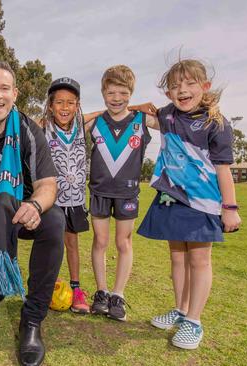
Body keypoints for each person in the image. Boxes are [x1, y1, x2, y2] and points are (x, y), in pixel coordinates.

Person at [0, 61, 64, 366]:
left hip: (20, 213)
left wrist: (34, 205)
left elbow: (47, 184)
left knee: (55, 220)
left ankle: (31, 321)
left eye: (4, 88)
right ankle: (5, 258)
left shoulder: (29, 130)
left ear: (15, 93)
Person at [137, 59, 241, 349]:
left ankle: (194, 321)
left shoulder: (216, 123)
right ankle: (181, 310)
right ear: (168, 93)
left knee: (199, 260)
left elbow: (223, 169)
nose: (182, 90)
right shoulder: (167, 115)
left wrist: (230, 208)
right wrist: (136, 108)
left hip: (203, 203)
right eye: (174, 86)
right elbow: (146, 118)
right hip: (171, 198)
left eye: (189, 83)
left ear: (204, 87)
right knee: (177, 258)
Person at [87, 65, 154, 322]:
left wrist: (144, 108)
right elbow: (71, 119)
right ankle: (102, 292)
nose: (117, 98)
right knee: (100, 242)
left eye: (123, 93)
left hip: (127, 193)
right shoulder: (96, 122)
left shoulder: (140, 120)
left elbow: (173, 120)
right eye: (111, 92)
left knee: (123, 243)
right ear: (103, 92)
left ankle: (118, 295)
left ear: (131, 93)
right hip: (99, 191)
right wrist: (98, 111)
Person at [39, 77, 94, 314]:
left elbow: (109, 112)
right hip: (52, 198)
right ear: (50, 105)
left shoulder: (82, 125)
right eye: (59, 102)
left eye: (70, 103)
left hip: (76, 199)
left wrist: (136, 108)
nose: (64, 107)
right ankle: (44, 287)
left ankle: (76, 288)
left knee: (72, 243)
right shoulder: (43, 127)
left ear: (77, 106)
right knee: (51, 244)